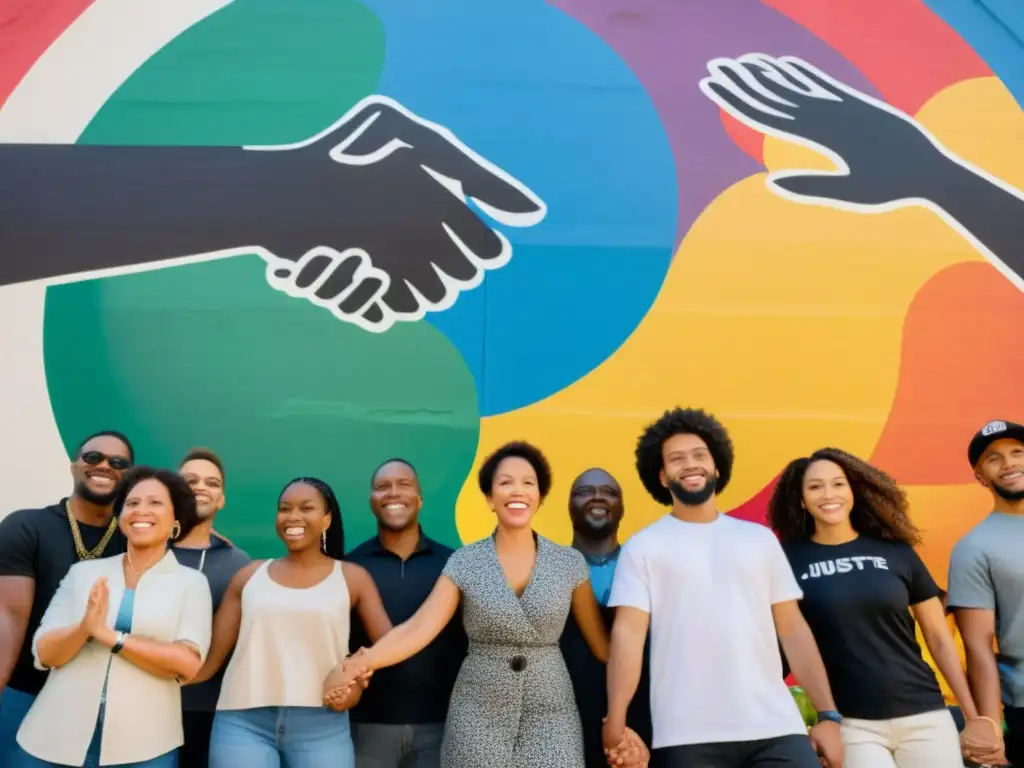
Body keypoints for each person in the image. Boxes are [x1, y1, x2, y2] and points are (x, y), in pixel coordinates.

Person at [324, 441, 648, 768]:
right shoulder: (464, 562)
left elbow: (604, 651)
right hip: (477, 712)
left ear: (540, 496)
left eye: (528, 482)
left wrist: (623, 719)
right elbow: (419, 627)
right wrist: (359, 664)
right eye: (505, 482)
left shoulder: (569, 564)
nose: (517, 491)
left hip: (553, 714)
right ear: (490, 499)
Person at [604, 408, 842, 768]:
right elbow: (628, 635)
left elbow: (793, 630)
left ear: (717, 467)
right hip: (687, 737)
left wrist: (828, 716)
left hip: (776, 729)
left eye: (700, 455)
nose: (691, 464)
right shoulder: (644, 547)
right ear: (663, 477)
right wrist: (616, 719)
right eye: (676, 459)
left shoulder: (759, 540)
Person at [767, 447, 999, 767]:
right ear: (801, 499)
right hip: (851, 723)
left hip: (925, 714)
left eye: (838, 484)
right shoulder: (785, 559)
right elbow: (784, 643)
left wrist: (974, 717)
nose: (828, 494)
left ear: (853, 491)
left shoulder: (894, 550)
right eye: (815, 486)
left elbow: (938, 637)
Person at [15, 466, 213, 767]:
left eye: (155, 503)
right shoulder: (85, 572)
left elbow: (187, 664)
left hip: (146, 748)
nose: (140, 511)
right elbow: (44, 653)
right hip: (53, 739)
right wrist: (84, 628)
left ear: (175, 521)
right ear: (120, 517)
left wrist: (110, 637)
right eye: (132, 504)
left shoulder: (191, 583)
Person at [194, 477, 392, 768]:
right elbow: (209, 663)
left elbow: (390, 645)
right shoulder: (249, 576)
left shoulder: (352, 577)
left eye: (306, 508)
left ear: (326, 520)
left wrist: (356, 676)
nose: (293, 517)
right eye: (284, 509)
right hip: (243, 722)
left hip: (323, 724)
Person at [0, 431, 134, 764]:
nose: (104, 465)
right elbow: (9, 617)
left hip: (100, 708)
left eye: (118, 463)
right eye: (93, 458)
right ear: (75, 466)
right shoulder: (26, 526)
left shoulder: (137, 538)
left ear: (129, 476)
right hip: (25, 695)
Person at [346, 458, 467, 768]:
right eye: (382, 487)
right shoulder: (350, 566)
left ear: (420, 499)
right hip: (367, 729)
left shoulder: (453, 565)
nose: (393, 493)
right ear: (371, 501)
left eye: (404, 485)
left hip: (439, 728)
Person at [559, 468, 652, 767]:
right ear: (568, 505)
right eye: (584, 491)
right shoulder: (544, 573)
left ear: (622, 507)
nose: (597, 496)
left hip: (639, 733)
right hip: (563, 731)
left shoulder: (647, 572)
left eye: (609, 492)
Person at [948, 419, 1024, 767]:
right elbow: (978, 648)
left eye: (1017, 452)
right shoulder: (973, 548)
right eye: (994, 458)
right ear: (980, 476)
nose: (1009, 463)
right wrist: (991, 729)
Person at [173, 449, 251, 768]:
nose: (200, 487)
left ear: (221, 500)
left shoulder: (238, 563)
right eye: (190, 480)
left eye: (211, 483)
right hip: (142, 706)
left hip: (209, 711)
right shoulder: (141, 552)